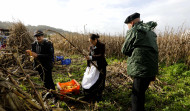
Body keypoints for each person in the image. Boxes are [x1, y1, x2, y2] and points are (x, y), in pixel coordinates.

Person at [121, 12, 158, 111]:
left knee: (136, 95)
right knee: (141, 92)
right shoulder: (150, 31)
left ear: (132, 23)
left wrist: (131, 50)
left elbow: (124, 50)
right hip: (151, 69)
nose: (128, 28)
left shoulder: (134, 30)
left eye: (128, 25)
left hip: (140, 69)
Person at [28, 30, 56, 101]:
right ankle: (48, 92)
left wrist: (37, 55)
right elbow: (33, 54)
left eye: (40, 36)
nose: (38, 38)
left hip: (47, 65)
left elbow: (50, 56)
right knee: (43, 79)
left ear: (43, 36)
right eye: (37, 36)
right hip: (38, 65)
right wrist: (31, 55)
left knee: (49, 79)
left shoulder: (48, 44)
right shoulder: (34, 44)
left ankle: (54, 94)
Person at [82, 34, 108, 102]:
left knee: (101, 79)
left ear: (95, 40)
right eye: (90, 41)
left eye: (92, 41)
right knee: (94, 79)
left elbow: (101, 55)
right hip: (94, 65)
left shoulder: (102, 45)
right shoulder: (91, 46)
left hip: (101, 65)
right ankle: (93, 93)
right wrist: (88, 64)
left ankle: (100, 95)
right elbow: (90, 55)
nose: (91, 43)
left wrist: (91, 57)